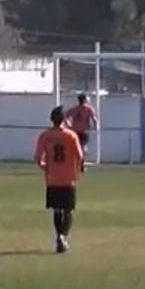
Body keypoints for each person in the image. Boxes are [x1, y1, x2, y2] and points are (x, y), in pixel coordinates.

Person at [34, 106, 84, 253]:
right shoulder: (71, 136)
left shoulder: (44, 136)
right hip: (69, 179)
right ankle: (63, 237)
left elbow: (38, 158)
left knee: (57, 211)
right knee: (68, 211)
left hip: (52, 179)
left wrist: (45, 168)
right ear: (63, 119)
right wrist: (79, 167)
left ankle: (59, 237)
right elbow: (80, 156)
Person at [65, 94, 98, 172]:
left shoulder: (74, 109)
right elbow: (94, 118)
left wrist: (68, 125)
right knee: (83, 148)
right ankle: (81, 165)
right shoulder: (88, 109)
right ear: (84, 100)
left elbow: (65, 116)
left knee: (75, 148)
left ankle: (75, 165)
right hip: (83, 131)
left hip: (74, 131)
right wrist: (96, 127)